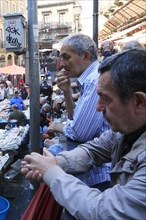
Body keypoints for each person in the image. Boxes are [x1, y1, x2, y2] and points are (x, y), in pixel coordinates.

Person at [21, 49, 146, 219]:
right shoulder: (126, 130)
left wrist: (51, 171)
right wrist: (55, 162)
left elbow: (102, 211)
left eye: (106, 99)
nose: (98, 107)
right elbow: (94, 149)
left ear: (138, 102)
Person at [47, 34, 111, 191]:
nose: (62, 64)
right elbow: (74, 117)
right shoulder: (88, 79)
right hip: (92, 171)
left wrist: (56, 126)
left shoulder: (93, 80)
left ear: (86, 56)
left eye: (66, 57)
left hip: (97, 176)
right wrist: (67, 92)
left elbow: (79, 132)